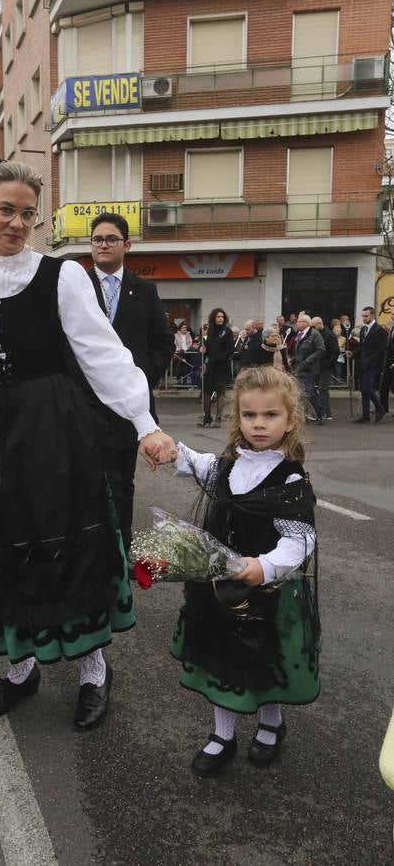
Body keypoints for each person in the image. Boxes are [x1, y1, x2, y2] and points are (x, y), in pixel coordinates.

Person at [0, 161, 176, 731]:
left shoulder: (62, 276)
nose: (17, 223)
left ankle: (92, 669)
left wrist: (143, 422)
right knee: (2, 545)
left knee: (64, 546)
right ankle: (21, 667)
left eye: (28, 214)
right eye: (6, 210)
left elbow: (101, 352)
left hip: (52, 426)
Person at [169, 366, 320, 776]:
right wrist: (170, 449)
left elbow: (301, 538)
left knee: (260, 659)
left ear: (290, 421)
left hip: (264, 589)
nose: (258, 424)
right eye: (249, 415)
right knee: (222, 657)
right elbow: (199, 463)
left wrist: (266, 565)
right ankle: (222, 735)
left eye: (270, 415)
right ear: (238, 418)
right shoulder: (229, 465)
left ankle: (271, 724)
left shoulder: (290, 478)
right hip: (219, 587)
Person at [70, 212, 174, 557]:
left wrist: (140, 380)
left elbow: (163, 343)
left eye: (111, 239)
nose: (103, 244)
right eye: (97, 239)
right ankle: (84, 552)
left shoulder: (145, 291)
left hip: (128, 410)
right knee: (80, 483)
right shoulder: (75, 286)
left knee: (120, 484)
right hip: (80, 405)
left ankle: (118, 553)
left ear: (126, 245)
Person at [347, 306, 387, 424]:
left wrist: (371, 361)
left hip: (373, 365)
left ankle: (380, 410)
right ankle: (366, 416)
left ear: (373, 315)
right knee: (363, 390)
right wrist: (353, 353)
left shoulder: (379, 330)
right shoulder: (364, 330)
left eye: (366, 316)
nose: (364, 318)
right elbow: (362, 347)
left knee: (367, 388)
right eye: (363, 316)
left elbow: (381, 350)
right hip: (362, 364)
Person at [199, 307, 234, 427]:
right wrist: (203, 349)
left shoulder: (227, 332)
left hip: (222, 366)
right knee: (207, 391)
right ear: (213, 318)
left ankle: (218, 419)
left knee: (220, 392)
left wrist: (218, 357)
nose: (220, 319)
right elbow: (206, 346)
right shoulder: (209, 331)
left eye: (222, 317)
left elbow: (230, 350)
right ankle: (207, 417)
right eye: (218, 317)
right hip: (210, 365)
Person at [290, 314, 325, 424]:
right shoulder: (298, 334)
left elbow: (321, 350)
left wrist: (307, 361)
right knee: (298, 392)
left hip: (309, 368)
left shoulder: (315, 334)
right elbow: (298, 351)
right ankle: (302, 415)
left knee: (310, 392)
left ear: (306, 323)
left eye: (299, 321)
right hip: (298, 368)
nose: (297, 323)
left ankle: (321, 414)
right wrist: (293, 359)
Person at [311, 316, 339, 421]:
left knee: (323, 388)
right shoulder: (317, 334)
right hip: (318, 365)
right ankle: (322, 412)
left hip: (326, 366)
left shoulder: (329, 335)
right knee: (317, 389)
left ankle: (325, 412)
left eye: (313, 326)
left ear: (319, 324)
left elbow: (335, 352)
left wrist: (327, 365)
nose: (312, 328)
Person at [379, 318, 394, 415]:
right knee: (383, 388)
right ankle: (383, 409)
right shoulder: (392, 327)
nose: (392, 316)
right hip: (388, 362)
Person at [174, 321, 194, 386]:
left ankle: (184, 383)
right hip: (179, 353)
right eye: (183, 328)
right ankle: (179, 382)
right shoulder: (176, 335)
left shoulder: (189, 335)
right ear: (180, 328)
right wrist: (179, 350)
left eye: (185, 328)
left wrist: (186, 349)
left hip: (187, 353)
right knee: (179, 368)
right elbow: (175, 344)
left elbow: (190, 343)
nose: (185, 329)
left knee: (185, 369)